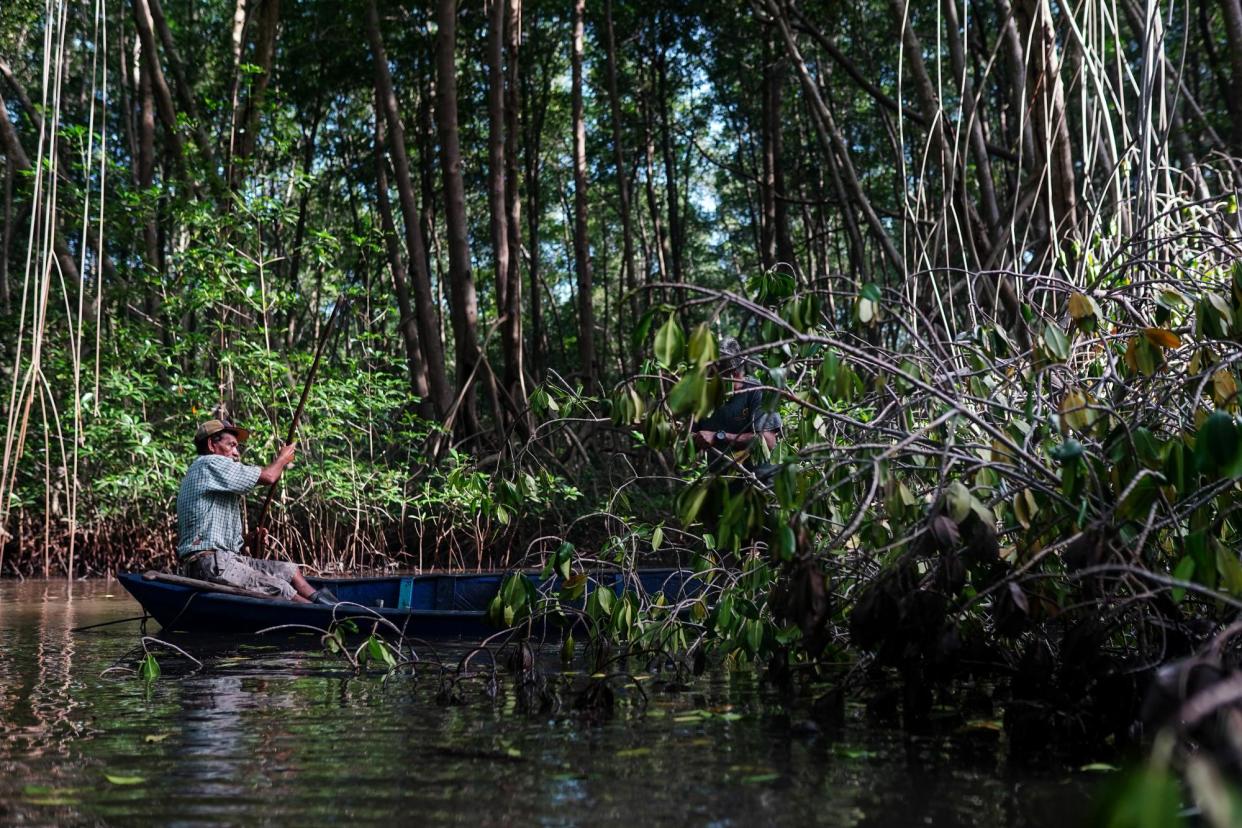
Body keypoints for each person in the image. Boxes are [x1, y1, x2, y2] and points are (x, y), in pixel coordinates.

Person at [176, 418, 336, 604]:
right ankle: (326, 617)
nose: (236, 453)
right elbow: (269, 476)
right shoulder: (208, 464)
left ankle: (330, 607)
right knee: (281, 587)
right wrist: (283, 458)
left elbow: (211, 536)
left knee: (289, 571)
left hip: (224, 560)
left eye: (237, 447)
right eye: (231, 445)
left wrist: (248, 539)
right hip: (208, 565)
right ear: (212, 444)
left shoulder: (212, 476)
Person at [691, 336, 782, 471]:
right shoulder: (705, 396)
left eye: (716, 374)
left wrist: (719, 436)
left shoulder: (757, 392)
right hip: (723, 482)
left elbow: (767, 441)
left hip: (760, 481)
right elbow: (693, 439)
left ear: (734, 373)